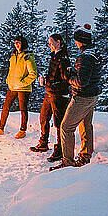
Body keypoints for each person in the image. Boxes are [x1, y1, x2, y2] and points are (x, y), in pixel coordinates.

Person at [50, 24, 101, 171]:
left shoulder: (84, 57)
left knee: (66, 127)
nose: (75, 43)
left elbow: (81, 81)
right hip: (92, 95)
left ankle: (68, 163)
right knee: (85, 124)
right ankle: (85, 157)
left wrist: (68, 77)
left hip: (82, 97)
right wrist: (75, 71)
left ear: (81, 41)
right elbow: (88, 75)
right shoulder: (94, 53)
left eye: (77, 40)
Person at [30, 34, 70, 162]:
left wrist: (52, 85)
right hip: (49, 93)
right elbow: (55, 75)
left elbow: (65, 79)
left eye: (51, 42)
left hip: (58, 95)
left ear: (58, 42)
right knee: (43, 117)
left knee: (59, 123)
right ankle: (43, 143)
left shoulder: (63, 58)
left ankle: (60, 150)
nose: (49, 45)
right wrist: (46, 79)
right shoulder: (54, 55)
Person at [0, 35, 37, 139]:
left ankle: (22, 130)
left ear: (23, 44)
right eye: (15, 42)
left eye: (18, 42)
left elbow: (33, 74)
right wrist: (8, 80)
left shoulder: (27, 57)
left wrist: (22, 83)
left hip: (23, 88)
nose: (16, 44)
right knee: (5, 107)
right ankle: (0, 128)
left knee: (23, 109)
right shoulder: (13, 56)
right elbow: (11, 70)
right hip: (12, 86)